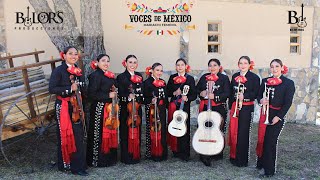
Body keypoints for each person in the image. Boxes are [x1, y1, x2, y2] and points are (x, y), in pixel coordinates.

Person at [49, 46, 88, 176]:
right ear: (64, 55)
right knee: (66, 135)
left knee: (78, 135)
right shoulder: (59, 70)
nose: (73, 56)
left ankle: (79, 164)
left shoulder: (78, 70)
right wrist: (69, 88)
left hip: (77, 105)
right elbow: (52, 88)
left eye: (75, 54)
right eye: (70, 53)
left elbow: (82, 87)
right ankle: (68, 165)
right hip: (64, 106)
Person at [256, 59, 295, 178]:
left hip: (277, 116)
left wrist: (278, 117)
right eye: (272, 67)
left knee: (270, 142)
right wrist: (261, 100)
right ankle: (261, 163)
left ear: (282, 67)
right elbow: (258, 96)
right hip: (265, 113)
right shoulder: (265, 81)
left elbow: (288, 103)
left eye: (277, 66)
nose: (274, 69)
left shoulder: (288, 83)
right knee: (262, 138)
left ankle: (269, 170)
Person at [196, 58, 231, 166]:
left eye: (215, 65)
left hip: (219, 108)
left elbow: (227, 93)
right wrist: (201, 93)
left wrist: (215, 96)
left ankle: (217, 152)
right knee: (205, 129)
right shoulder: (204, 77)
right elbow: (197, 90)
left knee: (218, 130)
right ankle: (205, 154)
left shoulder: (224, 78)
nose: (212, 67)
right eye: (210, 65)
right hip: (206, 107)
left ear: (219, 67)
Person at [86, 54, 118, 167]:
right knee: (98, 133)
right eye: (103, 61)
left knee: (109, 131)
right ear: (97, 62)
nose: (106, 63)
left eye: (108, 61)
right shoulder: (95, 75)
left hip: (108, 108)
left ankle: (108, 157)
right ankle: (96, 159)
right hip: (99, 108)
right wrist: (108, 94)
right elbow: (91, 94)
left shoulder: (108, 75)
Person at [228, 56, 260, 167]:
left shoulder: (254, 77)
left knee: (243, 133)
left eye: (245, 63)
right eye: (240, 63)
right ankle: (233, 156)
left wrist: (244, 96)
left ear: (249, 65)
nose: (243, 65)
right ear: (238, 64)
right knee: (234, 131)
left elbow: (256, 93)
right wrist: (230, 108)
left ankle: (242, 160)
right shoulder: (235, 76)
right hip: (235, 107)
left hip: (246, 108)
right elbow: (231, 93)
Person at [167, 58, 196, 161]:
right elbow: (168, 92)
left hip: (185, 107)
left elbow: (194, 94)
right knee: (175, 126)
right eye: (178, 65)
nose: (180, 67)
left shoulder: (190, 79)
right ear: (176, 67)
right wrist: (175, 93)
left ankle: (185, 152)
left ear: (185, 66)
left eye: (182, 65)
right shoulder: (172, 77)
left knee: (185, 128)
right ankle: (176, 151)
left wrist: (187, 98)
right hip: (174, 106)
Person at [116, 55, 144, 164]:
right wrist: (128, 97)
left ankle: (136, 155)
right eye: (130, 62)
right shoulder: (121, 77)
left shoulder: (139, 75)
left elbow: (142, 91)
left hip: (137, 109)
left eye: (134, 62)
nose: (132, 65)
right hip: (126, 109)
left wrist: (138, 98)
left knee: (137, 130)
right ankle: (126, 157)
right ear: (125, 63)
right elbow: (120, 94)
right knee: (125, 132)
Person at [143, 63, 168, 161]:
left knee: (162, 129)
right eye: (157, 70)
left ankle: (162, 153)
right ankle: (152, 153)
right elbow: (144, 99)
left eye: (161, 70)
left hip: (161, 109)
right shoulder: (147, 83)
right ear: (152, 70)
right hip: (152, 109)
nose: (159, 72)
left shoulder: (163, 82)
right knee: (152, 129)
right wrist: (151, 101)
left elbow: (165, 97)